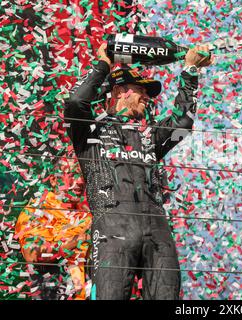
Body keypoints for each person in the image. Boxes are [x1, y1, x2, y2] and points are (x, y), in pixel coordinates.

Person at [64, 42, 213, 300]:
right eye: (140, 91)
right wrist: (104, 64)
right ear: (119, 91)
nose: (147, 97)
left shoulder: (149, 134)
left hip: (157, 230)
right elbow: (76, 100)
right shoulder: (89, 129)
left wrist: (190, 71)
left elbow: (183, 123)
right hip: (111, 227)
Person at [14, 154, 91, 300]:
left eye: (82, 176)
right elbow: (32, 255)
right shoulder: (37, 211)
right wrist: (76, 240)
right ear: (54, 180)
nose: (80, 182)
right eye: (72, 175)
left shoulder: (87, 214)